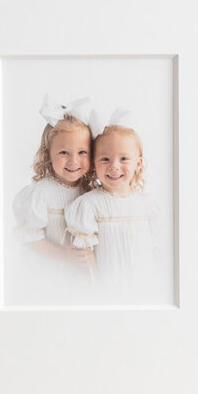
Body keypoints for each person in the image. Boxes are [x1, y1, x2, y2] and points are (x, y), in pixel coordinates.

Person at [64, 109, 161, 286]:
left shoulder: (146, 205)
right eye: (105, 159)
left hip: (144, 284)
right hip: (109, 284)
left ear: (138, 164)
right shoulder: (89, 205)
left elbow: (156, 250)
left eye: (124, 158)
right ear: (93, 164)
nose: (114, 166)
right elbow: (85, 256)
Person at [12, 96, 95, 273]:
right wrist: (63, 256)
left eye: (82, 152)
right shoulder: (41, 193)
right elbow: (30, 237)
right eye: (64, 152)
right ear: (48, 154)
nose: (74, 161)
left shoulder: (88, 191)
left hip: (77, 272)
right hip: (49, 268)